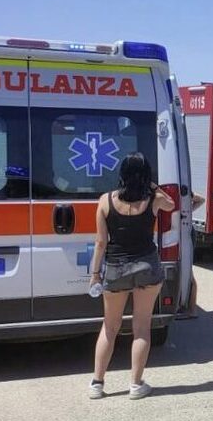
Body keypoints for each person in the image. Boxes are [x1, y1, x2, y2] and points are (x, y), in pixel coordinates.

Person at [88, 153, 176, 400]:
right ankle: (136, 385)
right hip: (146, 266)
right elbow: (171, 204)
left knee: (109, 328)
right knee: (141, 328)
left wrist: (95, 274)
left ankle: (97, 384)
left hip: (115, 268)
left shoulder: (105, 201)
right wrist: (152, 184)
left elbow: (100, 242)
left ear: (122, 174)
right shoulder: (154, 199)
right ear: (146, 176)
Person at [177, 191, 206, 320]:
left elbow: (201, 199)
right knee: (183, 271)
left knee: (188, 272)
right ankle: (185, 306)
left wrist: (188, 195)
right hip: (181, 233)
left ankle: (192, 310)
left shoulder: (182, 196)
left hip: (186, 233)